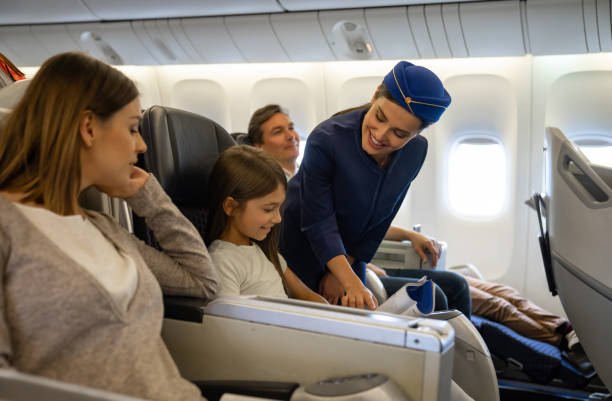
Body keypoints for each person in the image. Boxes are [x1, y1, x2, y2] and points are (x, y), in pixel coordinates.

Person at [0, 52, 219, 401]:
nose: (142, 145)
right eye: (132, 128)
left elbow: (201, 282)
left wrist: (149, 197)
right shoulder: (8, 230)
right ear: (88, 128)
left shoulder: (104, 228)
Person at [279, 61, 471, 315]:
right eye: (379, 117)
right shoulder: (326, 140)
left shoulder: (415, 152)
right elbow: (318, 221)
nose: (380, 135)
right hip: (300, 251)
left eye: (400, 133)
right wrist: (346, 280)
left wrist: (344, 273)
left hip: (350, 257)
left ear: (415, 135)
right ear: (375, 94)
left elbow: (381, 217)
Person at [205, 145, 327, 304]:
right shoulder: (222, 262)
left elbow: (307, 296)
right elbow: (229, 324)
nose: (278, 219)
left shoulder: (267, 253)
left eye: (279, 208)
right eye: (269, 209)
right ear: (231, 207)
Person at [247, 104, 300, 179]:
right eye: (278, 132)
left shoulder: (310, 173)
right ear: (258, 145)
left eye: (291, 128)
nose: (291, 136)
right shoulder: (263, 185)